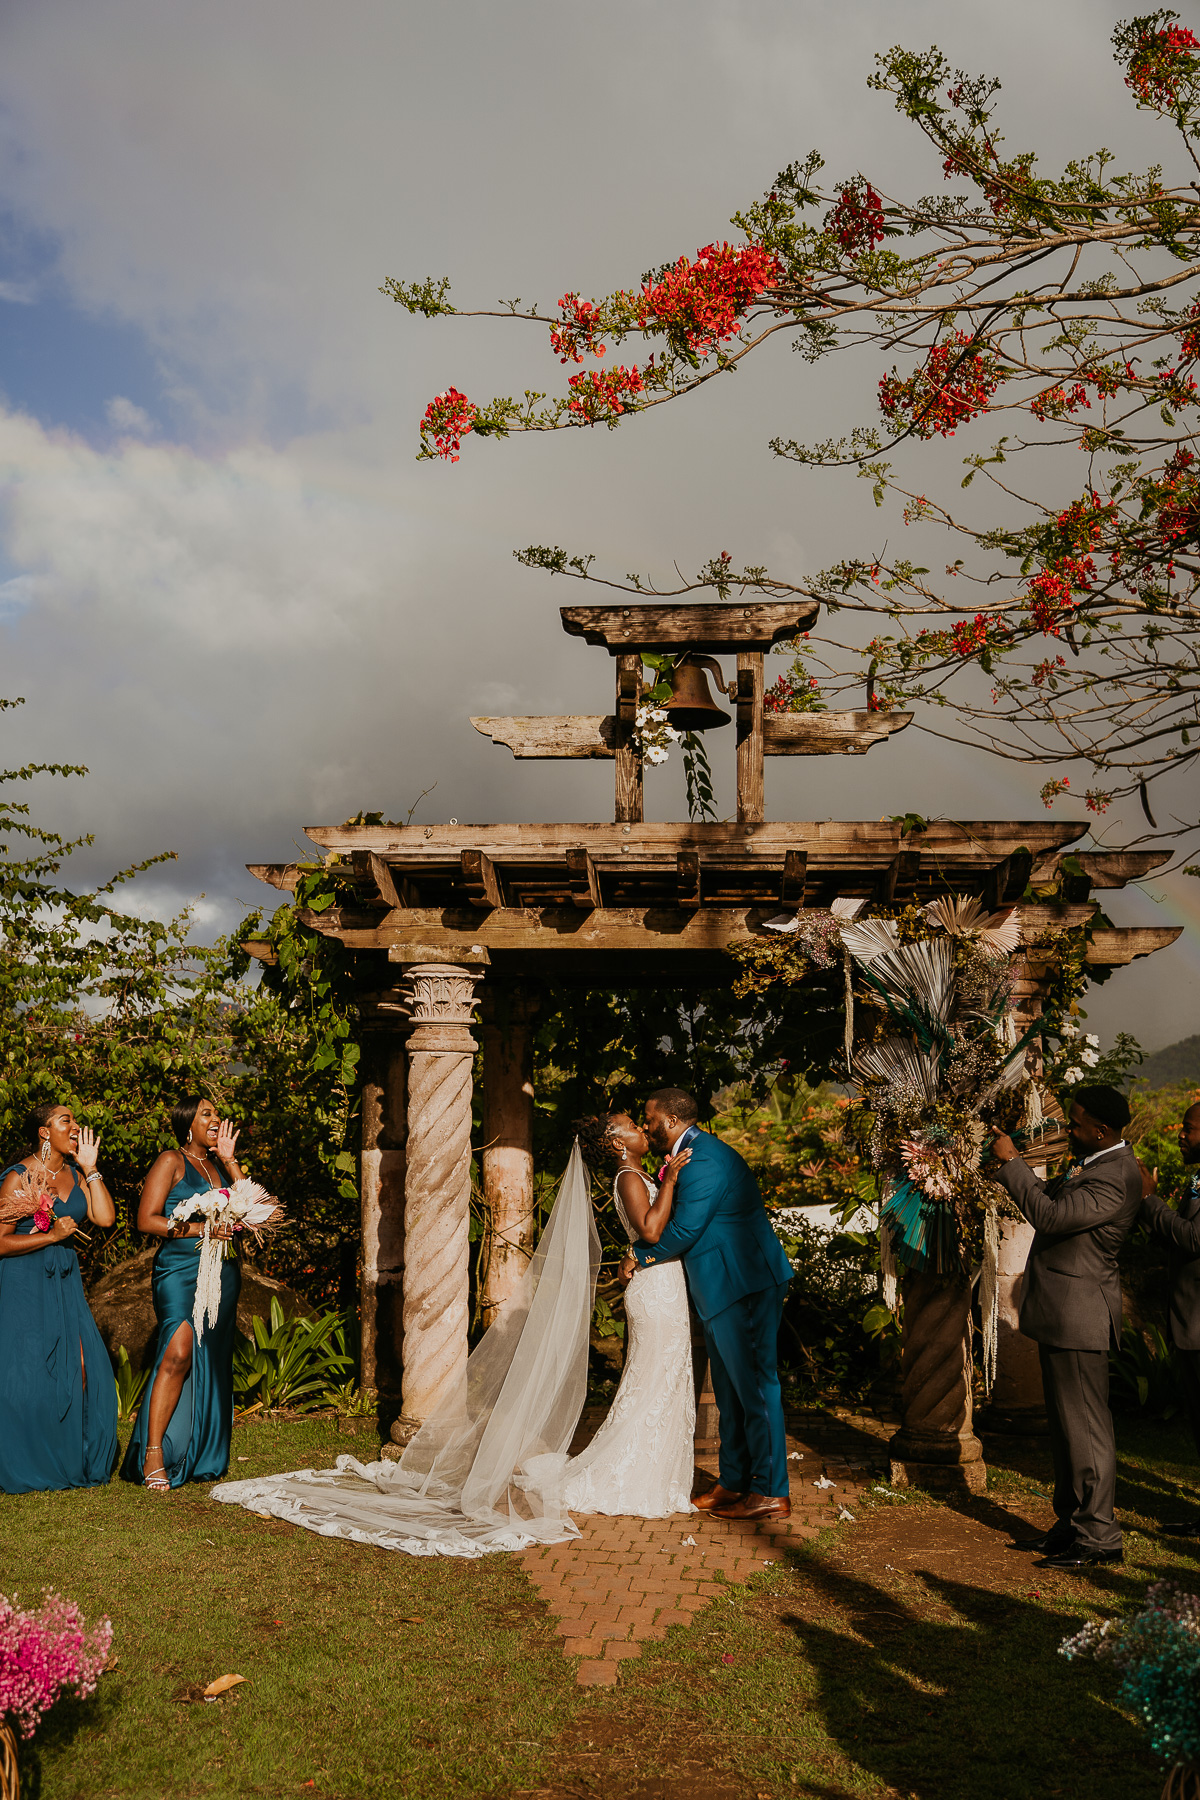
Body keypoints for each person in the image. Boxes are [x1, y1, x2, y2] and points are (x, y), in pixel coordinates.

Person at [990, 1083, 1143, 1569]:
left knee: (1087, 1429)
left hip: (1081, 1316)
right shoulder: (1096, 1161)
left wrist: (1012, 1161)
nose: (1070, 1128)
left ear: (1102, 1130)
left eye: (1077, 1124)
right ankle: (1071, 1524)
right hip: (1063, 1312)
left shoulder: (1116, 1175)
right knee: (1065, 1428)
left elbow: (1051, 1216)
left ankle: (1099, 1537)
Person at [630, 1087, 795, 1523]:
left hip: (743, 1284)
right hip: (722, 1287)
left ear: (668, 1120)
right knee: (730, 1392)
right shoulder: (688, 1156)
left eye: (649, 1118)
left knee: (757, 1389)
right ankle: (734, 1481)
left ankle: (770, 1490)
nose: (646, 1126)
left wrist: (640, 1256)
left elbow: (684, 1230)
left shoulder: (704, 1159)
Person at [525, 1111, 695, 1515]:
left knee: (662, 1383)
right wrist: (669, 1180)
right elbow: (651, 1231)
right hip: (655, 1291)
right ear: (619, 1144)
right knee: (652, 1385)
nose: (641, 1129)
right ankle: (627, 1477)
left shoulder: (638, 1175)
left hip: (662, 1284)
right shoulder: (629, 1178)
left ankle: (656, 1475)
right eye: (633, 1127)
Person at [120, 1096, 244, 1492]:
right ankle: (153, 1452)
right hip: (178, 1271)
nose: (215, 1119)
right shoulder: (171, 1161)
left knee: (206, 1357)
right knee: (176, 1352)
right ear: (187, 1124)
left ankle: (197, 1449)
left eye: (216, 1114)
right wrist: (199, 1230)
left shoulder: (219, 1166)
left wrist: (230, 1161)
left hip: (220, 1272)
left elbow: (251, 1208)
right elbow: (146, 1220)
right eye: (206, 1114)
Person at [0, 1103, 119, 1494]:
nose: (75, 1125)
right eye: (65, 1120)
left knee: (85, 1369)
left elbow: (104, 1218)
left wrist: (90, 1167)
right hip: (24, 1282)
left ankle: (77, 1457)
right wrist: (49, 1236)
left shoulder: (74, 1173)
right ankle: (29, 1460)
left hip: (66, 1281)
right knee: (27, 1376)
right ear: (44, 1132)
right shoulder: (17, 1177)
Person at [1139, 1101, 1200, 1535]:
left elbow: (1195, 1238)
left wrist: (1149, 1201)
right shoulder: (1196, 1179)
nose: (1181, 1134)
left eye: (1190, 1130)